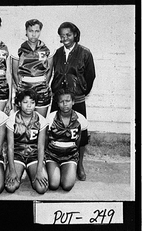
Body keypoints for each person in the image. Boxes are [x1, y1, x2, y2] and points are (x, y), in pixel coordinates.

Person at [50, 22, 96, 181]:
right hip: (58, 99)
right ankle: (54, 163)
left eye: (68, 35)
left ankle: (79, 164)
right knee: (54, 131)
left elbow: (90, 76)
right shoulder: (57, 53)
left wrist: (81, 92)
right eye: (62, 36)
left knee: (80, 134)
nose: (65, 39)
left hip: (76, 99)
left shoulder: (85, 53)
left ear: (75, 34)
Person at [5, 89, 48, 194]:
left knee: (41, 188)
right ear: (19, 103)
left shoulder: (41, 120)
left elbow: (40, 147)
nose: (29, 106)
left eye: (32, 103)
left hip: (33, 154)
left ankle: (30, 172)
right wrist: (12, 170)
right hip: (17, 154)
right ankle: (20, 170)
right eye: (25, 102)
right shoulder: (12, 119)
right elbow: (10, 147)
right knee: (10, 187)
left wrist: (39, 170)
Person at [46, 88, 88, 191]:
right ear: (57, 103)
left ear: (73, 102)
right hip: (53, 155)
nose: (65, 104)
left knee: (67, 186)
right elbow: (45, 140)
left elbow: (79, 141)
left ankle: (68, 168)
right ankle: (51, 168)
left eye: (68, 101)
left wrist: (73, 153)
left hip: (70, 155)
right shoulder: (51, 118)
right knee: (54, 185)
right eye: (61, 101)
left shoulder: (80, 119)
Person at [14, 19, 52, 117]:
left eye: (36, 31)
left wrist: (44, 84)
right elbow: (15, 72)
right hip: (24, 86)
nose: (33, 34)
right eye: (31, 31)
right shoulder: (18, 49)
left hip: (41, 87)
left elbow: (49, 70)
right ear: (26, 32)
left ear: (40, 32)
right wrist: (20, 86)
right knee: (23, 120)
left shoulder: (47, 49)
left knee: (40, 120)